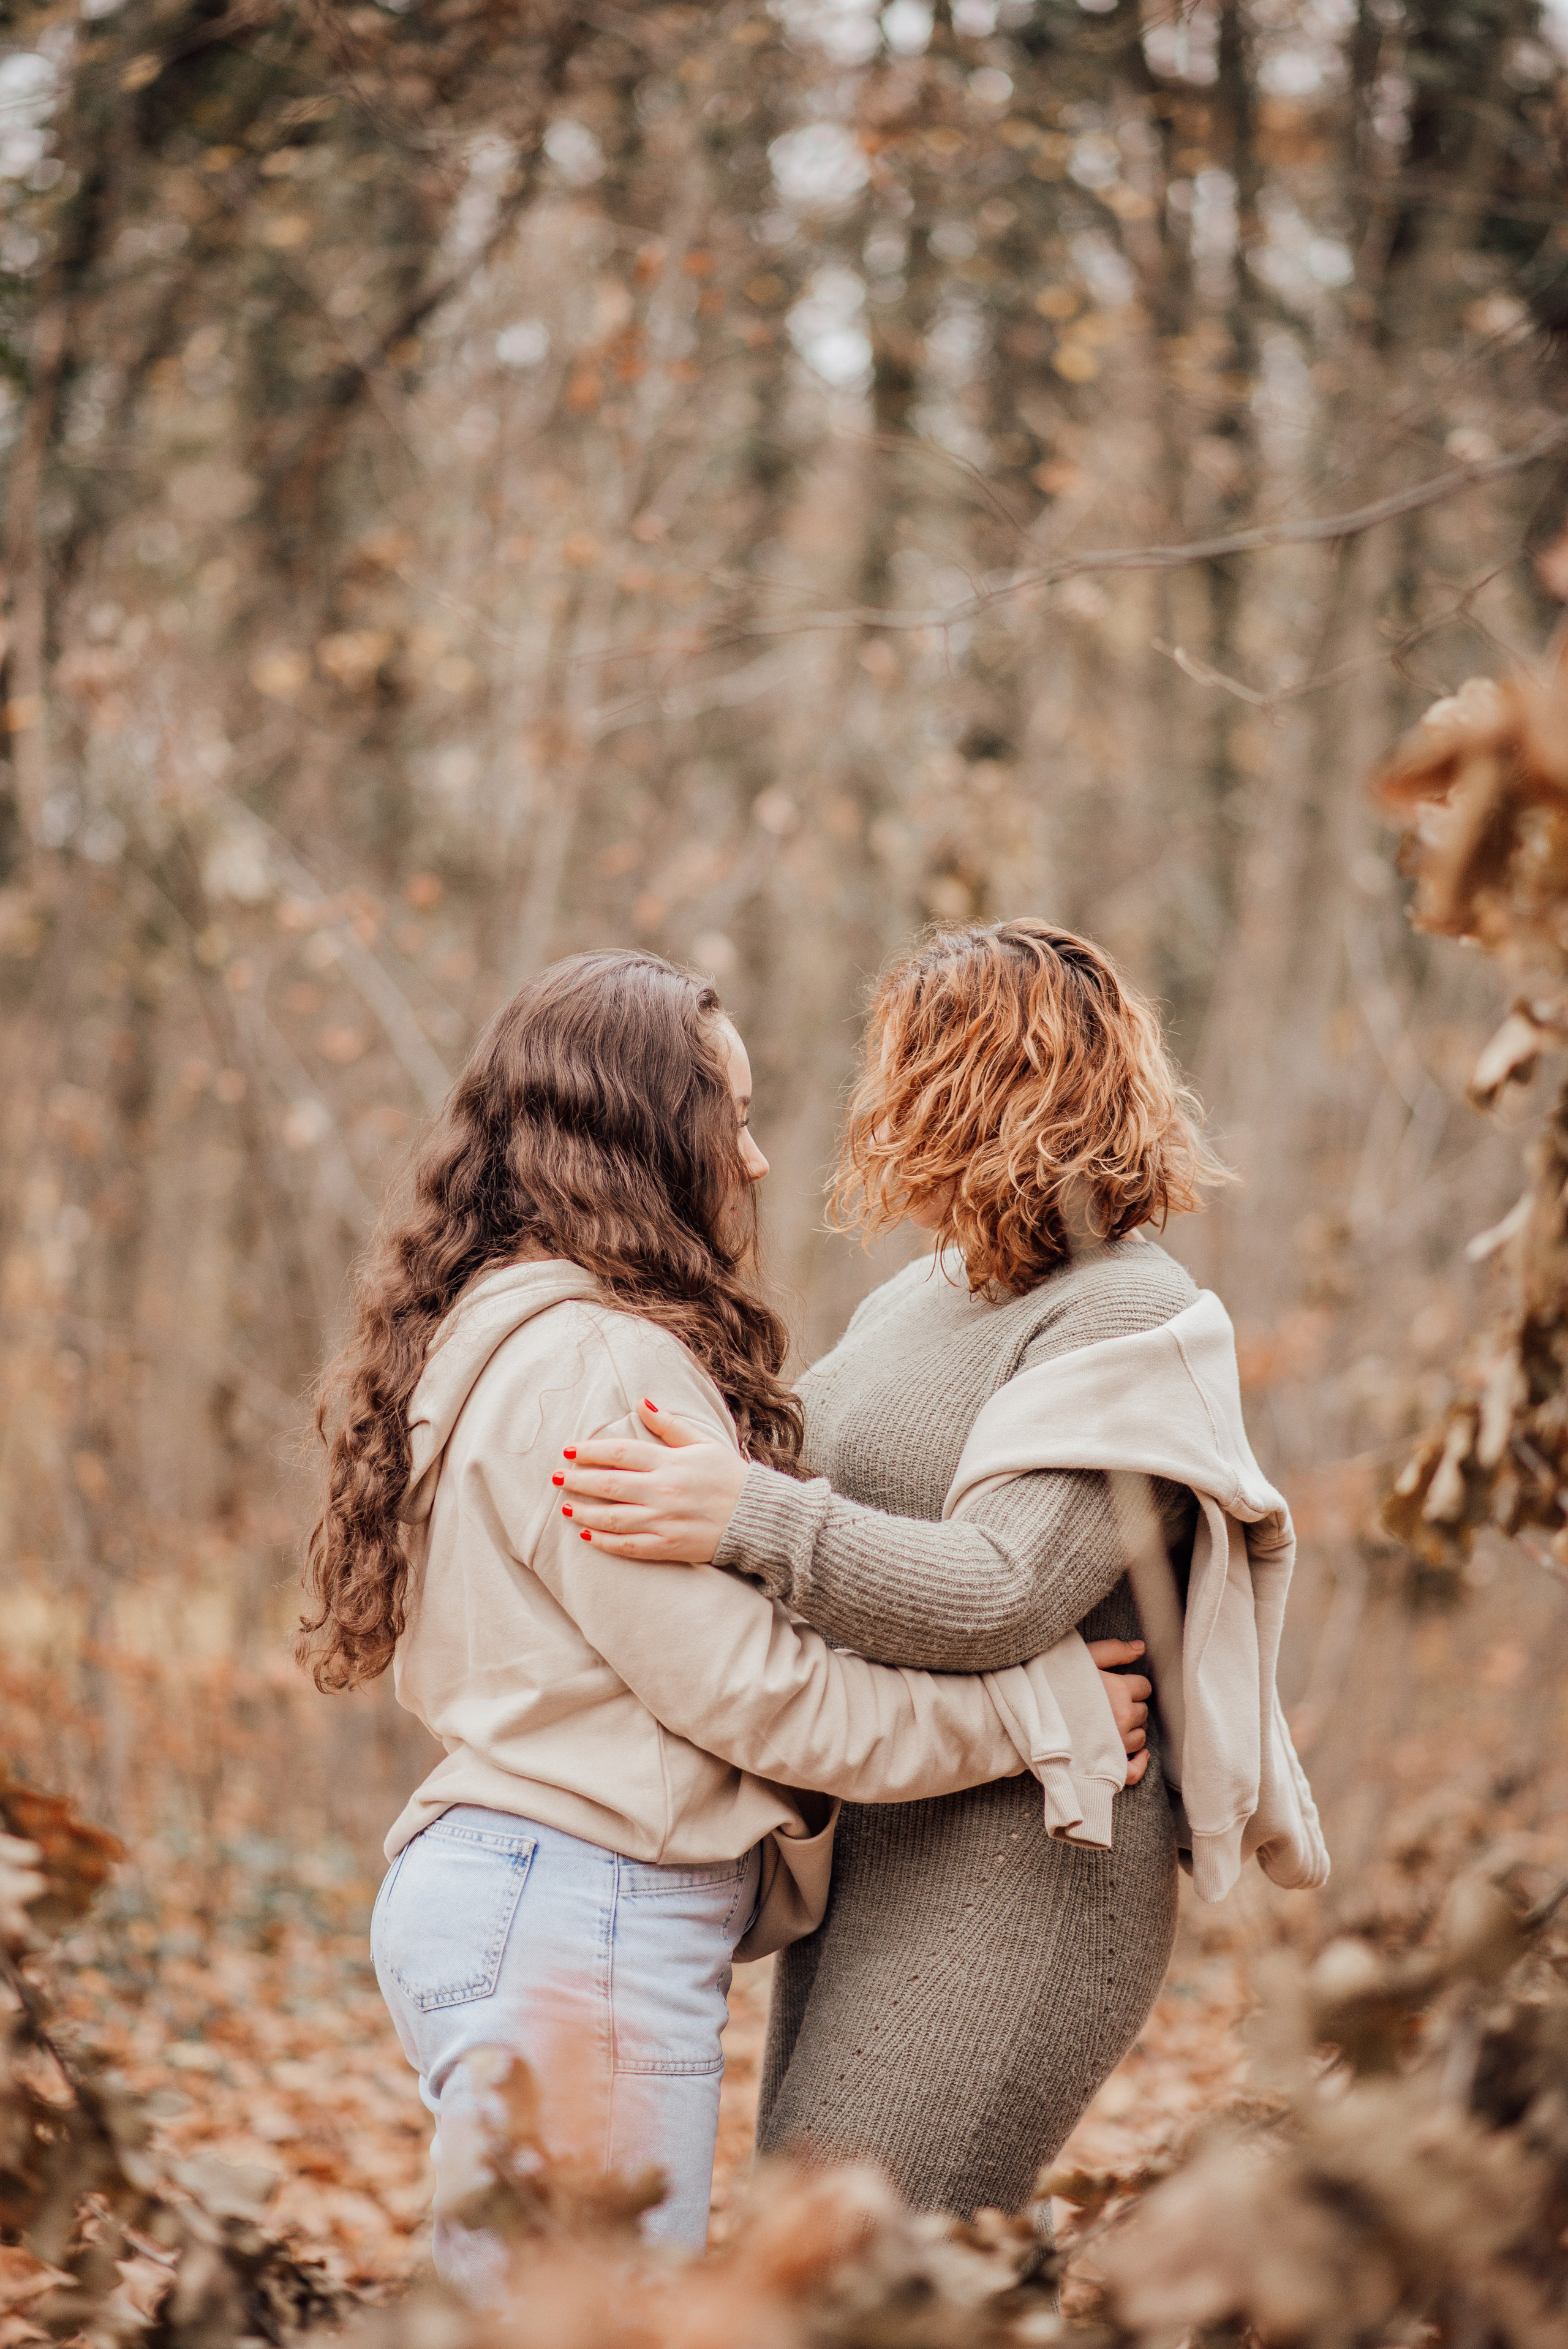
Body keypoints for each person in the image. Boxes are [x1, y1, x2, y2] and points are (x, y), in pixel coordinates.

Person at [298, 946, 1150, 2290]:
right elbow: (766, 1694)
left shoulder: (497, 1325)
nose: (753, 1160)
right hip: (577, 1916)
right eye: (730, 1119)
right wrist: (1041, 1715)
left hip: (519, 1897)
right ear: (642, 1137)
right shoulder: (598, 1362)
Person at [558, 920, 1289, 2217]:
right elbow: (802, 1476)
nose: (879, 1106)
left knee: (863, 2261)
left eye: (907, 1070)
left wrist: (746, 1516)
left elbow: (1000, 1591)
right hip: (888, 1825)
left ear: (984, 1090)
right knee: (811, 2252)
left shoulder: (1130, 1315)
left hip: (1032, 1868)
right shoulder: (925, 1294)